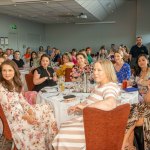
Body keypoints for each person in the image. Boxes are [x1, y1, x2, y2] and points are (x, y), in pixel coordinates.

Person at [52, 59, 121, 150]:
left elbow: (110, 103)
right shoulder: (99, 86)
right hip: (91, 120)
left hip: (98, 127)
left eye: (99, 70)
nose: (95, 73)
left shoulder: (110, 86)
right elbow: (90, 101)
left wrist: (86, 107)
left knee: (62, 134)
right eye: (94, 70)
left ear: (108, 71)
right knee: (63, 125)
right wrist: (78, 106)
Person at [0, 60, 58, 150]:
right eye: (4, 70)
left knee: (46, 108)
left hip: (22, 112)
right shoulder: (1, 88)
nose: (7, 73)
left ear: (15, 71)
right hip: (15, 119)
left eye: (10, 70)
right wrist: (28, 117)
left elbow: (22, 101)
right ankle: (41, 144)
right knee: (42, 119)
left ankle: (49, 143)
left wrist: (30, 111)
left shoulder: (13, 83)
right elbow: (11, 111)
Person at [122, 80, 150, 150]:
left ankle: (124, 144)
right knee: (130, 110)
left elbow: (147, 99)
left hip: (147, 112)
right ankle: (129, 145)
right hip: (145, 107)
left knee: (132, 116)